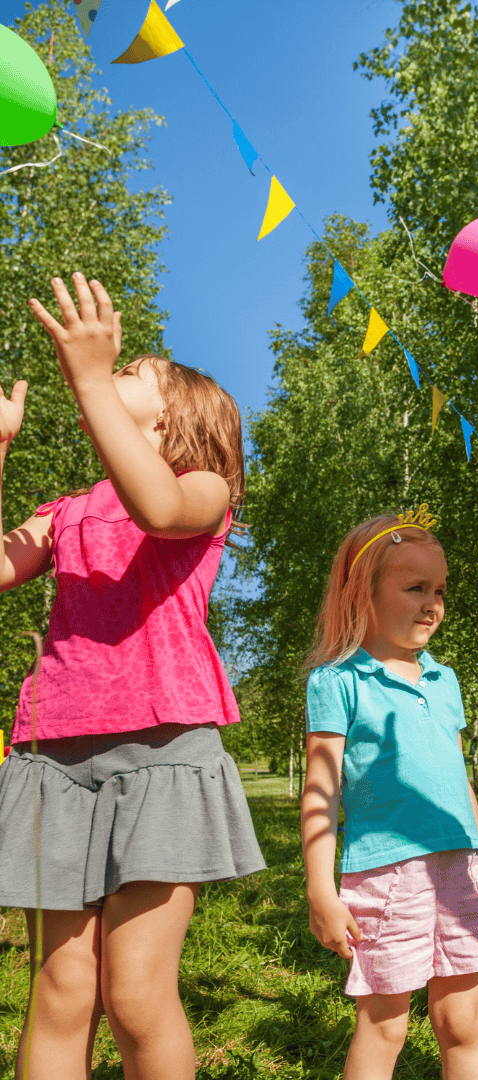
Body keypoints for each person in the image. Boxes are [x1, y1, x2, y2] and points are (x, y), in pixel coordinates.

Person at [0, 273, 265, 1079]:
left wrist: (86, 378)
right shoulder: (64, 510)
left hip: (164, 754)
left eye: (133, 373)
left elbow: (153, 507)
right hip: (52, 759)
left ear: (180, 420)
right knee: (60, 988)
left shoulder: (203, 490)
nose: (114, 371)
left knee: (137, 994)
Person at [302, 512, 478, 1080]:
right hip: (386, 875)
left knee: (463, 1023)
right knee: (386, 1025)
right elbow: (320, 786)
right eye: (415, 588)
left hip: (459, 868)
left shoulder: (443, 682)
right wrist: (321, 889)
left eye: (439, 590)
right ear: (362, 592)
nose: (432, 604)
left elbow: (457, 783)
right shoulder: (339, 680)